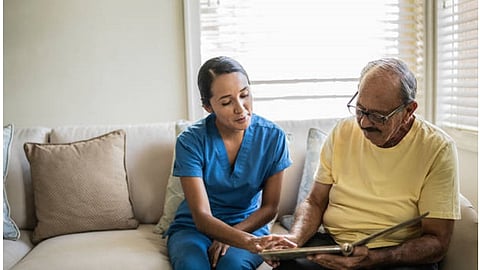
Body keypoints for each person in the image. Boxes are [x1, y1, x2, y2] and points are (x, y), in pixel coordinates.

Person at [267, 58, 460, 270]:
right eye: (360, 109)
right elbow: (314, 201)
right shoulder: (342, 131)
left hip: (395, 255)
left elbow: (438, 241)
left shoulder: (437, 148)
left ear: (408, 111)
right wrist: (294, 240)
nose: (365, 123)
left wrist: (375, 259)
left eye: (379, 116)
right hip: (334, 244)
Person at [166, 56, 296, 270]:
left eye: (244, 95)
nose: (241, 108)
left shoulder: (273, 137)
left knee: (233, 267)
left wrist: (237, 237)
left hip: (250, 227)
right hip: (193, 229)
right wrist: (245, 241)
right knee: (192, 266)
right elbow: (202, 217)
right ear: (208, 107)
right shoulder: (190, 142)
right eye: (227, 102)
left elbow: (270, 207)